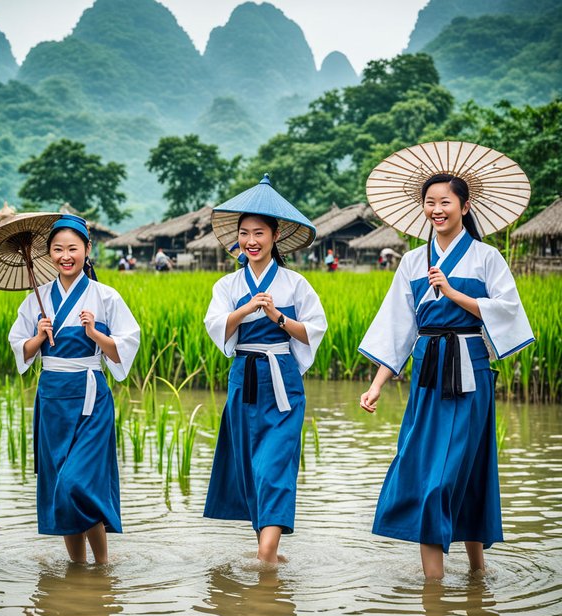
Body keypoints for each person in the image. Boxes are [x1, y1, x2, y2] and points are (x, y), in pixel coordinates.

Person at [358, 173, 534, 579]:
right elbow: (399, 330)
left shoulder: (488, 257)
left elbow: (507, 312)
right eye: (430, 202)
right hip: (427, 371)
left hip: (470, 370)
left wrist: (455, 293)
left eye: (445, 203)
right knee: (425, 469)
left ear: (465, 206)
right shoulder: (411, 262)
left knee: (458, 470)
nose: (436, 210)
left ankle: (467, 573)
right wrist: (377, 384)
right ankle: (442, 587)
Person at [203, 174, 327, 565]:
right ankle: (268, 555)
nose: (250, 241)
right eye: (244, 233)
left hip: (282, 382)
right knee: (253, 471)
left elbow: (313, 333)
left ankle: (266, 557)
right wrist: (245, 308)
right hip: (243, 379)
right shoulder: (226, 285)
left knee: (274, 468)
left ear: (275, 237)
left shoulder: (296, 284)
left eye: (259, 232)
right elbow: (216, 327)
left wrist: (277, 317)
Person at [8, 214, 140, 564]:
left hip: (91, 398)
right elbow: (20, 350)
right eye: (57, 249)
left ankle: (103, 563)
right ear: (48, 254)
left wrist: (96, 334)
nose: (65, 256)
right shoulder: (37, 300)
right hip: (52, 399)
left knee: (77, 483)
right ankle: (80, 568)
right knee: (60, 487)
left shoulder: (105, 296)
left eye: (72, 248)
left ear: (86, 249)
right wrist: (38, 336)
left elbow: (124, 350)